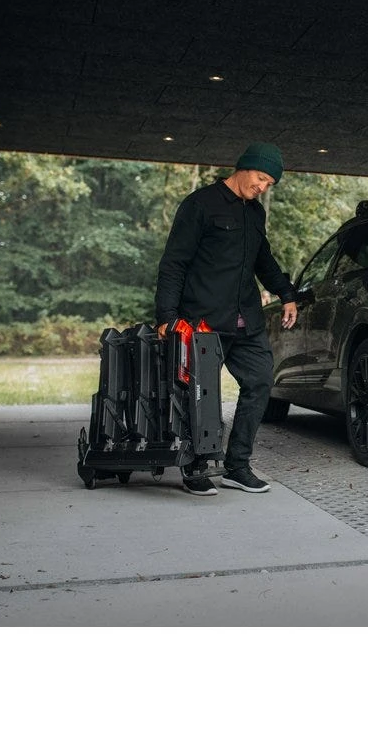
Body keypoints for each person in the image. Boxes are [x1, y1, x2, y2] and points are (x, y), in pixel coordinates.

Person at [155, 142, 298, 497]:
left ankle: (237, 466)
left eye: (269, 184)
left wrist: (286, 294)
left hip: (246, 320)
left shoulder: (255, 213)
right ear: (243, 167)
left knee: (260, 382)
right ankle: (196, 466)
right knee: (200, 394)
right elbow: (174, 262)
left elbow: (263, 260)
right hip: (203, 321)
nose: (263, 187)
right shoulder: (200, 204)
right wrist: (167, 316)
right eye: (261, 178)